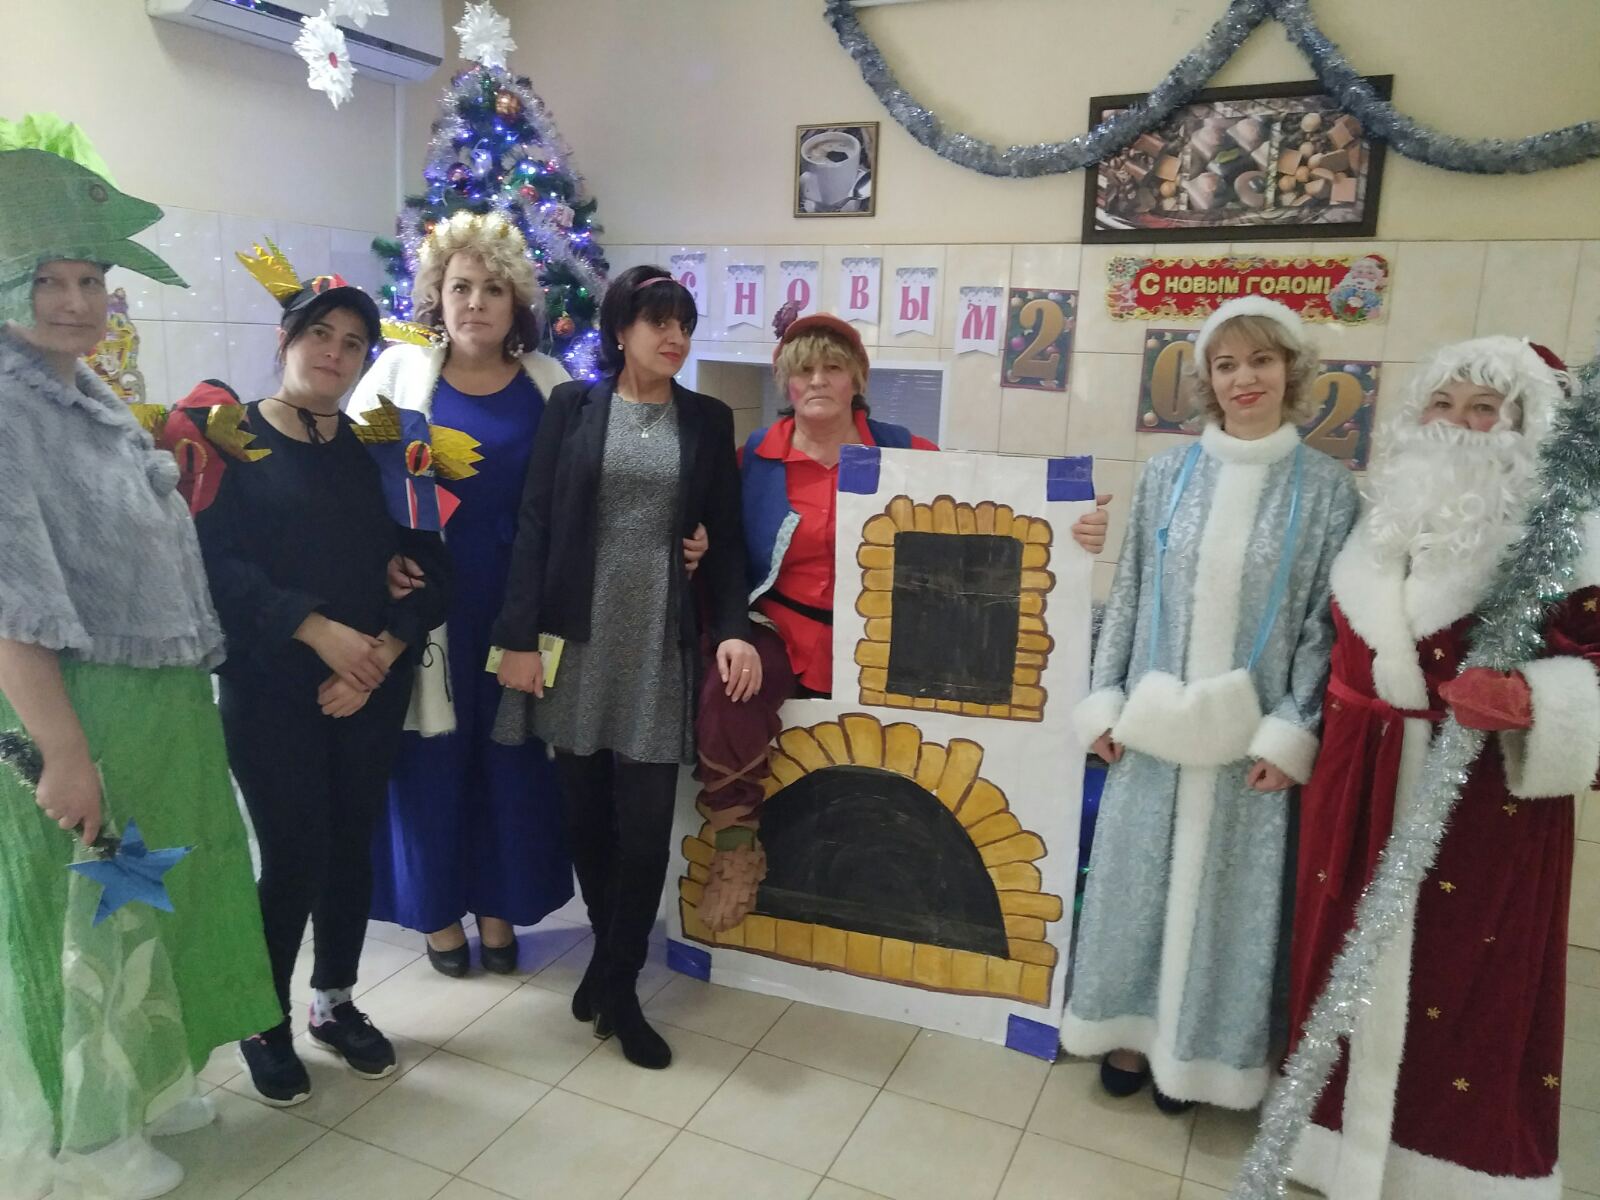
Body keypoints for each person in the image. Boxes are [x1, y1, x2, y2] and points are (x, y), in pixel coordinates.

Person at [0, 140, 278, 1198]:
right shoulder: (6, 407)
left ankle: (147, 1084)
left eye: (91, 280)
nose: (77, 302)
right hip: (79, 713)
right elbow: (9, 603)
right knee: (82, 921)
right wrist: (62, 752)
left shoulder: (83, 394)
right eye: (51, 281)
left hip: (152, 710)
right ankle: (86, 1134)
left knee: (151, 909)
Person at [358, 213, 708, 977]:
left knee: (512, 761)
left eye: (493, 289)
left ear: (516, 302)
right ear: (436, 295)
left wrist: (685, 539)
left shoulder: (554, 387)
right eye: (460, 287)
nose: (475, 303)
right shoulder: (397, 377)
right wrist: (379, 563)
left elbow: (609, 497)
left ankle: (498, 906)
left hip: (527, 608)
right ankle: (438, 917)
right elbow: (350, 489)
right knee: (431, 762)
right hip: (431, 607)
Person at [1286, 337, 1594, 1199]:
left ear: (1524, 425)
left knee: (1463, 982)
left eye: (1483, 409)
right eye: (1443, 404)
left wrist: (1534, 697)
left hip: (1480, 804)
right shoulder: (1382, 513)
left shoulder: (1567, 536)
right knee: (1338, 963)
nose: (1457, 424)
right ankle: (1328, 1144)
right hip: (1356, 784)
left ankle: (1451, 1171)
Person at [1063, 296, 1359, 1113]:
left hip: (1247, 743)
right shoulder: (1167, 474)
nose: (1243, 379)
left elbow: (1323, 626)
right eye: (1225, 365)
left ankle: (1199, 1056)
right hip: (1153, 727)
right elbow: (1131, 592)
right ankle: (1127, 1032)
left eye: (1260, 360)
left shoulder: (1328, 491)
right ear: (1207, 380)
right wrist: (1105, 700)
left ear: (1291, 371)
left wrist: (1293, 729)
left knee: (1227, 906)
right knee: (1136, 887)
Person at [193, 261, 452, 1107]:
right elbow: (216, 568)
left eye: (352, 343)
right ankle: (261, 1017)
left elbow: (432, 567)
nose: (334, 354)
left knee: (349, 850)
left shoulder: (380, 450)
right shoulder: (232, 440)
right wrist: (316, 629)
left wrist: (380, 653)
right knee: (294, 853)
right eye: (319, 335)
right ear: (286, 340)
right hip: (271, 689)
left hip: (367, 687)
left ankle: (333, 1001)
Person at [493, 265, 759, 1069]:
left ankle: (617, 982)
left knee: (644, 832)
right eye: (657, 323)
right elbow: (535, 523)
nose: (674, 338)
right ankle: (611, 974)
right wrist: (517, 638)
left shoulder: (707, 419)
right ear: (620, 330)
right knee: (585, 819)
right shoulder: (573, 407)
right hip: (577, 637)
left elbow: (725, 539)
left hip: (657, 641)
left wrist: (734, 627)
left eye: (684, 324)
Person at [691, 310, 937, 931]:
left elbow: (990, 496)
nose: (819, 381)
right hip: (779, 624)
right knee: (729, 689)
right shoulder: (755, 459)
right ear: (787, 383)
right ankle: (735, 848)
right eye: (804, 371)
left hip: (878, 634)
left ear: (857, 379)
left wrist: (1072, 520)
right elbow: (713, 532)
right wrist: (699, 547)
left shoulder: (906, 451)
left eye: (833, 368)